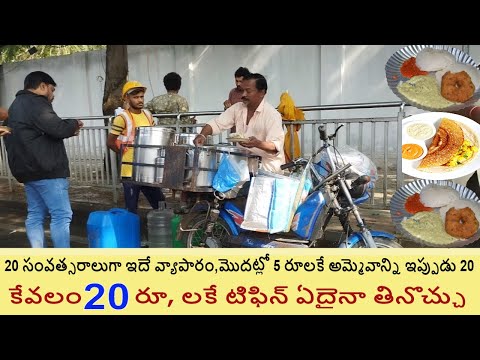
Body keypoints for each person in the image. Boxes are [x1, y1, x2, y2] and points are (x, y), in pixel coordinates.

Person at [3, 71, 83, 248]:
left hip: (27, 171)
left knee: (35, 215)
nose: (52, 95)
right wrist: (75, 124)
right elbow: (58, 128)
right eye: (52, 90)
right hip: (47, 170)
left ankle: (39, 257)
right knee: (61, 215)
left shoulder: (15, 107)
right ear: (42, 86)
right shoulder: (37, 103)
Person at [193, 72, 285, 174]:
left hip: (267, 171)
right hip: (243, 168)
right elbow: (217, 123)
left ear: (262, 93)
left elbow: (275, 147)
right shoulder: (237, 108)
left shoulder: (272, 115)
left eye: (248, 91)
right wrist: (202, 135)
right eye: (243, 91)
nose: (243, 95)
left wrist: (257, 143)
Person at [107, 80, 165, 214]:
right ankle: (131, 234)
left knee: (161, 204)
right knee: (131, 209)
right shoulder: (122, 118)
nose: (140, 100)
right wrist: (123, 154)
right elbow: (110, 142)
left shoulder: (148, 115)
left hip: (147, 170)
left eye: (141, 97)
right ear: (126, 98)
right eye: (135, 97)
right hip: (130, 172)